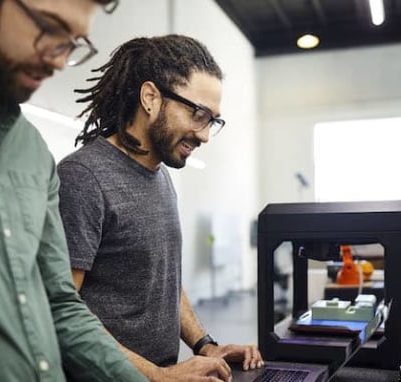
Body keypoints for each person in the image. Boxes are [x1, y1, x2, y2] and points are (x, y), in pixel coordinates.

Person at [57, 35, 264, 382]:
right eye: (198, 114)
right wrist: (156, 376)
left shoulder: (161, 176)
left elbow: (163, 281)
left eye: (213, 120)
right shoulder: (83, 177)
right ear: (151, 98)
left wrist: (205, 345)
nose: (205, 135)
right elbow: (61, 310)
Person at [0, 1, 149, 381]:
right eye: (49, 26)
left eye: (72, 42)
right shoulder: (83, 173)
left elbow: (60, 303)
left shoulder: (30, 150)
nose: (60, 61)